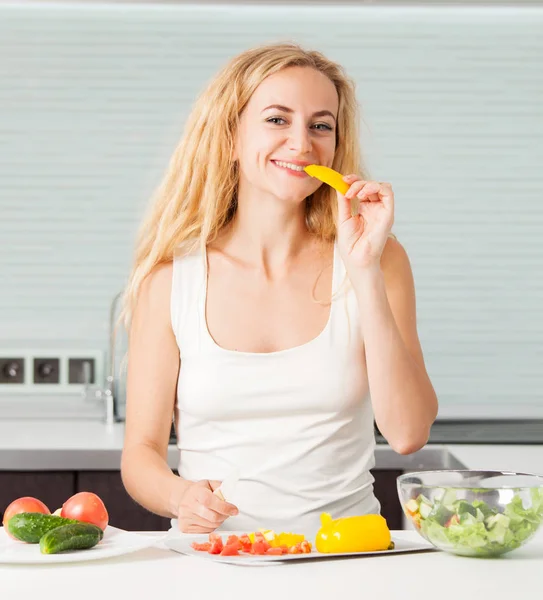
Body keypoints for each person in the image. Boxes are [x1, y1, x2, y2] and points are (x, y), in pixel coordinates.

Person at [120, 42, 438, 537]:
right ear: (230, 135)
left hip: (348, 560)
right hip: (215, 562)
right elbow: (140, 454)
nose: (301, 143)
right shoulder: (169, 280)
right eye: (276, 120)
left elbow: (408, 433)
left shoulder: (377, 258)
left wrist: (364, 273)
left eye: (320, 125)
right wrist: (180, 496)